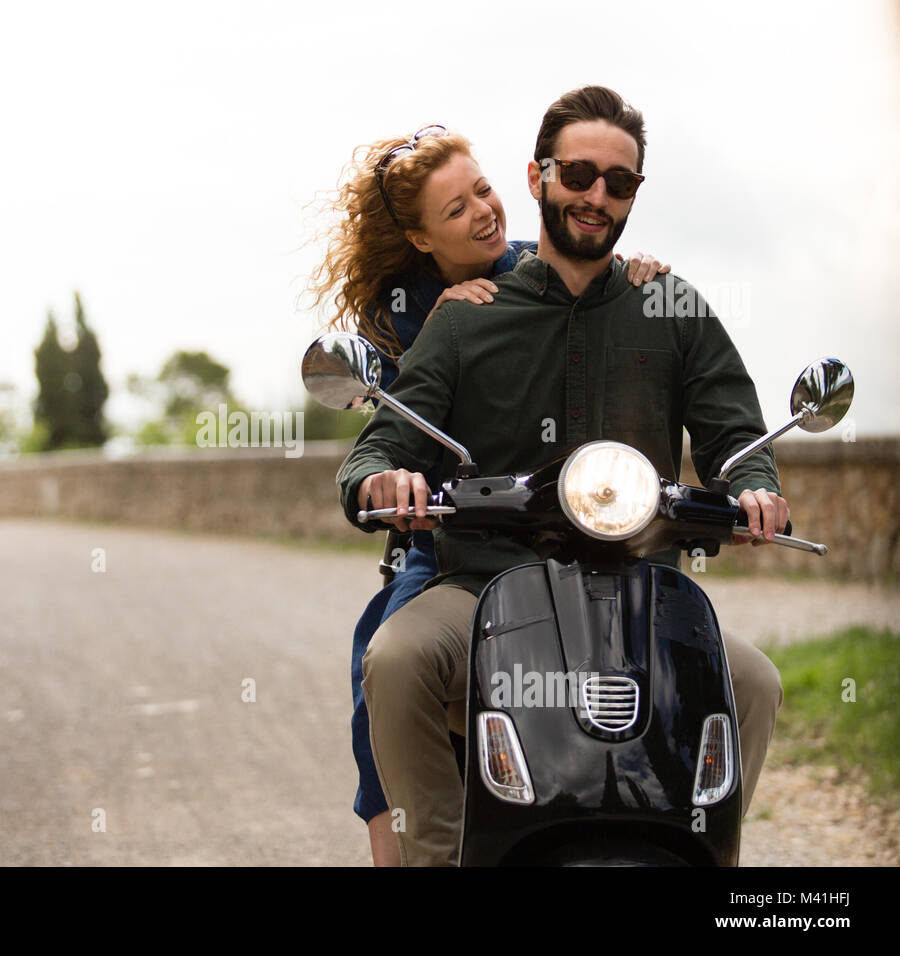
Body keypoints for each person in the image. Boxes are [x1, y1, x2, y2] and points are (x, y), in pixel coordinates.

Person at [335, 85, 788, 866]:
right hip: (482, 587)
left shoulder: (671, 305)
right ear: (540, 175)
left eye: (620, 182)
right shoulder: (464, 314)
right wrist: (382, 481)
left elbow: (736, 434)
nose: (597, 196)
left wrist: (754, 483)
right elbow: (385, 443)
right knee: (396, 658)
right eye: (579, 174)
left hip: (640, 598)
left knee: (753, 681)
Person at [308, 124, 669, 865]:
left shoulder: (539, 267)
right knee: (382, 661)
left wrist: (637, 278)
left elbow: (594, 299)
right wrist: (437, 332)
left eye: (483, 189)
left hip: (565, 524)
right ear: (418, 236)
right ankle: (402, 851)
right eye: (455, 209)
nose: (482, 212)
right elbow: (388, 434)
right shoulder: (400, 314)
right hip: (446, 532)